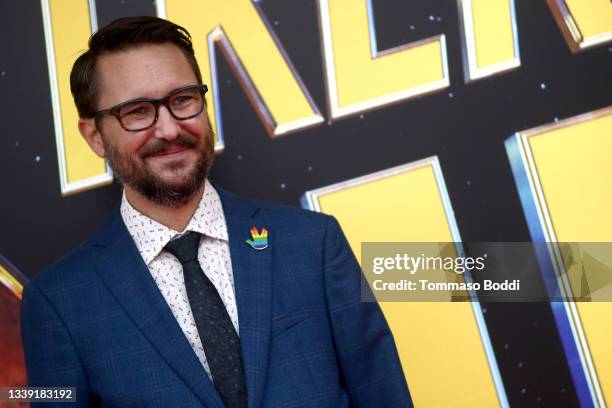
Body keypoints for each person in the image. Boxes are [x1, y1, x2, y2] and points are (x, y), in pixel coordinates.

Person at [20, 16, 411, 407]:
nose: (170, 129)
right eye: (138, 111)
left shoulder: (314, 244)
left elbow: (382, 393)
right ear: (95, 136)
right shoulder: (59, 302)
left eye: (182, 99)